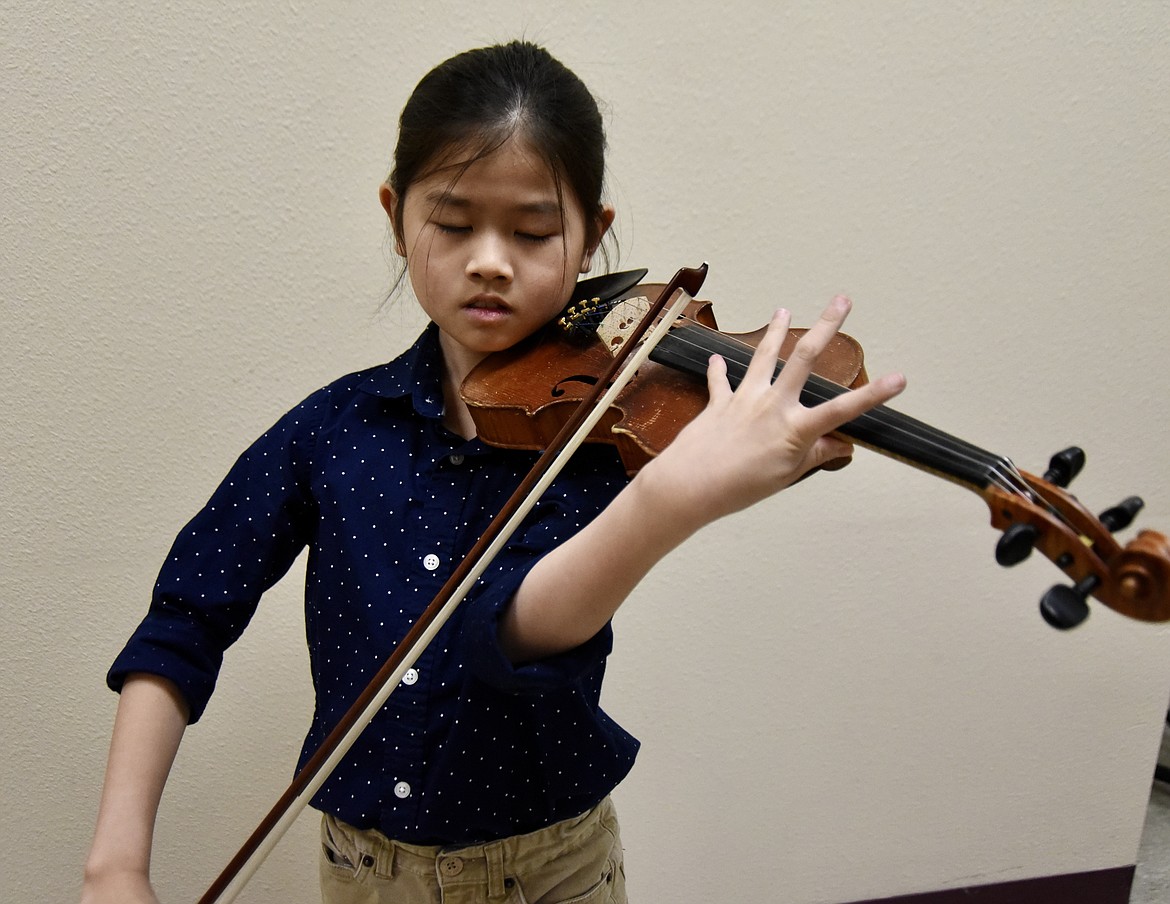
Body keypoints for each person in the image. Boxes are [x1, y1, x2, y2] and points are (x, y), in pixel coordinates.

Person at [81, 41, 905, 904]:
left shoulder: (603, 442)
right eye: (453, 220)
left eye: (533, 230)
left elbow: (507, 632)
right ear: (395, 216)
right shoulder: (330, 431)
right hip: (364, 873)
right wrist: (117, 862)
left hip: (555, 869)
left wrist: (667, 501)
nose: (490, 260)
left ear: (592, 236)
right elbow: (186, 615)